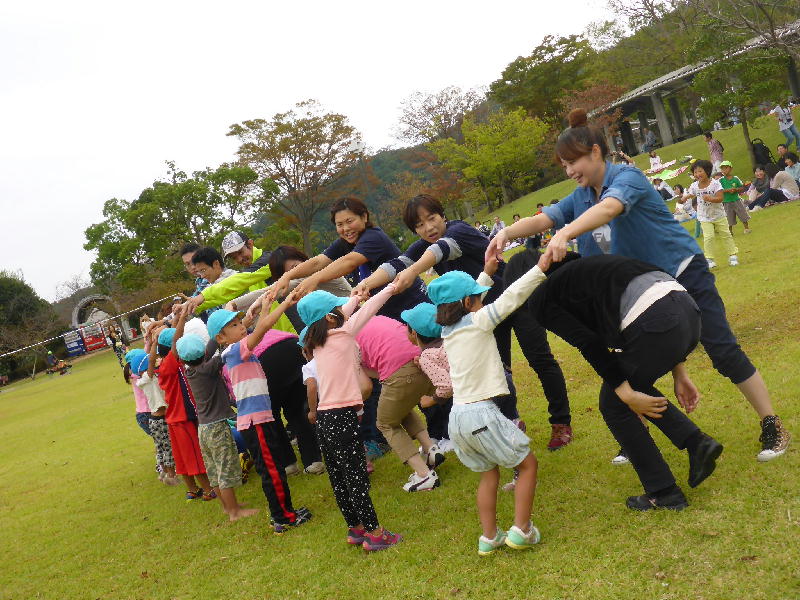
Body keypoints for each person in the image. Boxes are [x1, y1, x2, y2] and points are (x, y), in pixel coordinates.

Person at [487, 108, 790, 462]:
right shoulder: (580, 196)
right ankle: (635, 433)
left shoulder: (627, 178)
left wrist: (566, 232)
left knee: (721, 350)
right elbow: (545, 217)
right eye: (564, 165)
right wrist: (505, 232)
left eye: (573, 162)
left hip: (682, 270)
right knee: (631, 358)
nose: (569, 171)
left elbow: (611, 208)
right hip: (643, 291)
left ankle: (772, 422)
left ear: (596, 152)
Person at [529, 253, 723, 510]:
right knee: (629, 387)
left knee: (614, 402)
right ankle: (697, 444)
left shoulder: (541, 296)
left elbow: (589, 342)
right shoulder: (596, 268)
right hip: (688, 311)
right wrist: (679, 372)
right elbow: (658, 299)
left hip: (658, 321)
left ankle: (664, 491)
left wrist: (626, 394)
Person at [429, 259, 543, 555]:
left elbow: (468, 299)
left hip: (457, 419)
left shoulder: (447, 331)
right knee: (527, 464)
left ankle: (489, 537)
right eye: (477, 298)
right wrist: (540, 267)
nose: (482, 302)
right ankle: (522, 530)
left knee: (488, 474)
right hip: (481, 414)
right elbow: (512, 297)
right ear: (468, 302)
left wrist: (486, 275)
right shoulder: (479, 321)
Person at [297, 286, 404, 552]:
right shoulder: (343, 334)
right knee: (356, 478)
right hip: (342, 417)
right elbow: (368, 310)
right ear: (331, 318)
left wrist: (355, 295)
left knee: (339, 478)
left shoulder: (316, 339)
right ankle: (375, 533)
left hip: (324, 419)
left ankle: (355, 529)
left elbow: (343, 311)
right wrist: (391, 288)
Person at [207, 300, 312, 533]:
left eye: (238, 322)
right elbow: (262, 329)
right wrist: (284, 304)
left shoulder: (239, 349)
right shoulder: (234, 351)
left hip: (261, 418)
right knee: (271, 470)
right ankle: (283, 517)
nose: (241, 326)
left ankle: (287, 511)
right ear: (221, 338)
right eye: (233, 325)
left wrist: (264, 306)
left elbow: (260, 330)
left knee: (273, 466)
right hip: (255, 421)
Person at [266, 197, 428, 323]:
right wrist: (287, 276)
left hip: (414, 303)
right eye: (339, 224)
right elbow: (318, 262)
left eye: (350, 221)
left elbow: (350, 262)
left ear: (364, 217)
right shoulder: (346, 242)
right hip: (388, 310)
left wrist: (315, 279)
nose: (345, 229)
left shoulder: (373, 237)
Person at [174, 322, 259, 522]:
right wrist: (227, 336)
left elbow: (210, 349)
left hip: (204, 428)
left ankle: (228, 507)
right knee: (225, 471)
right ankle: (234, 512)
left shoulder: (190, 370)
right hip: (218, 427)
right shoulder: (208, 368)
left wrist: (218, 329)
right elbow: (224, 352)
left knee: (214, 471)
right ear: (202, 352)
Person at [155, 326, 215, 500]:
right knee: (193, 456)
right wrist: (180, 319)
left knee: (183, 456)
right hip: (181, 418)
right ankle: (208, 490)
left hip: (178, 417)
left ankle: (192, 489)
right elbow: (175, 343)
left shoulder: (175, 364)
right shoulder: (168, 365)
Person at [138, 332, 179, 485]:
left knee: (160, 448)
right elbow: (151, 361)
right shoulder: (146, 379)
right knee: (167, 448)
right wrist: (154, 344)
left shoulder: (152, 378)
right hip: (160, 419)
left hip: (154, 420)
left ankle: (163, 473)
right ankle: (171, 475)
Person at [685, 160, 739, 268]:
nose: (697, 174)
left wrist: (710, 198)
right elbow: (690, 194)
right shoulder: (694, 185)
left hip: (719, 215)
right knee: (708, 237)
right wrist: (683, 198)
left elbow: (720, 198)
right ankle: (709, 259)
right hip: (704, 216)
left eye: (700, 171)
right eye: (695, 172)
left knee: (726, 235)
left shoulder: (715, 183)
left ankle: (733, 256)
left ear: (707, 171)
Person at [718, 161, 751, 235]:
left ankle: (746, 228)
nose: (724, 170)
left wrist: (736, 189)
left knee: (743, 214)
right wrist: (727, 190)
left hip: (736, 200)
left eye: (726, 168)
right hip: (726, 202)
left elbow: (742, 187)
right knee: (728, 217)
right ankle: (730, 232)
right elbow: (719, 190)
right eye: (722, 169)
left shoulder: (735, 178)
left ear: (731, 168)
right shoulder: (720, 180)